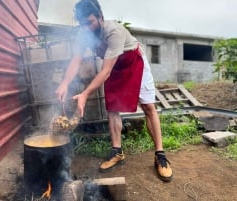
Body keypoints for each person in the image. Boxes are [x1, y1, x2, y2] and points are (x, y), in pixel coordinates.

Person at [55, 0, 172, 182]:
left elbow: (105, 71)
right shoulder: (82, 34)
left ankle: (160, 155)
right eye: (82, 24)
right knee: (112, 108)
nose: (86, 28)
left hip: (132, 61)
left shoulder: (113, 31)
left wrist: (85, 95)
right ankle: (117, 152)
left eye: (90, 22)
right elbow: (76, 60)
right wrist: (64, 83)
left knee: (149, 107)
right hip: (113, 66)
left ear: (100, 17)